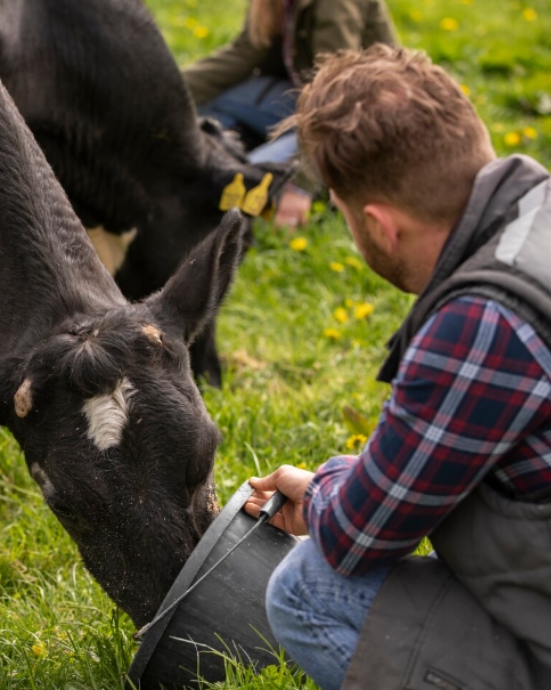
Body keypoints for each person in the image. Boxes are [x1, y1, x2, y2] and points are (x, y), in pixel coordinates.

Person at [244, 45, 551, 690]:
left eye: (347, 216)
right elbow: (455, 455)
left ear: (380, 226)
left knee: (308, 589)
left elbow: (360, 538)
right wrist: (339, 483)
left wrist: (328, 493)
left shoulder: (482, 323)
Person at [181, 0, 397, 228]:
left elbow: (338, 99)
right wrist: (164, 91)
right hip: (300, 102)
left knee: (240, 182)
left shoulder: (337, 4)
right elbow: (245, 53)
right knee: (209, 102)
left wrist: (300, 185)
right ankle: (243, 147)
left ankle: (319, 177)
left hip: (356, 123)